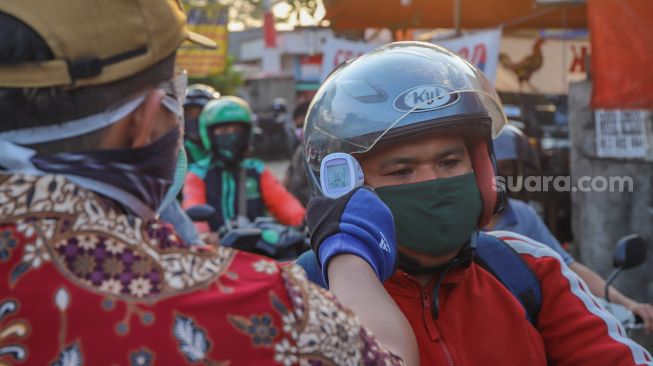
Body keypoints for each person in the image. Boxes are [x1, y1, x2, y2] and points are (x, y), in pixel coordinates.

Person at [0, 2, 419, 364]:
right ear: (144, 121)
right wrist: (350, 253)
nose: (226, 139)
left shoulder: (255, 171)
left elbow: (289, 208)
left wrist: (297, 224)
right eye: (174, 98)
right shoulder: (255, 303)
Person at [297, 42, 652, 365]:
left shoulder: (527, 270)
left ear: (482, 171)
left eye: (449, 163)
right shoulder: (300, 294)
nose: (432, 182)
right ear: (347, 189)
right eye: (402, 171)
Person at [488, 124, 653, 332]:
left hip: (526, 329)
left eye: (509, 168)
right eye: (497, 168)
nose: (504, 176)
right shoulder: (461, 224)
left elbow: (568, 267)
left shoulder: (522, 215)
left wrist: (629, 304)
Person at [183, 97, 306, 232]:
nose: (231, 135)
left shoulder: (256, 170)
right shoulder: (198, 173)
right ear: (208, 133)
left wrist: (305, 224)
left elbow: (286, 205)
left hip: (257, 249)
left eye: (237, 130)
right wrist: (204, 235)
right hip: (216, 250)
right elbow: (193, 205)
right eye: (223, 130)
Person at [183, 84, 220, 164]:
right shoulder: (177, 153)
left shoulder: (224, 150)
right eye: (189, 114)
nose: (194, 119)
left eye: (200, 114)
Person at [283, 101, 311, 206]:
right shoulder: (299, 148)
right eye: (298, 127)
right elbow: (289, 173)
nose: (301, 131)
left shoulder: (323, 150)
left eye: (303, 126)